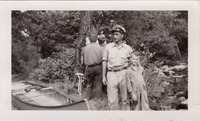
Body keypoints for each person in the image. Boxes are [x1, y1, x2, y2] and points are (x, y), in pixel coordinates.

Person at [102, 25, 133, 110]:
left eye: (117, 34)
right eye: (113, 34)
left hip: (124, 73)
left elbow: (133, 62)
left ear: (122, 35)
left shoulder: (128, 48)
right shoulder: (108, 47)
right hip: (111, 74)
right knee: (112, 100)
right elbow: (104, 61)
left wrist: (132, 76)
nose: (114, 36)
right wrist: (104, 76)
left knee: (125, 99)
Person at [81, 34, 103, 100]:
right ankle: (98, 98)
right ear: (96, 39)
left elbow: (82, 61)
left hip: (89, 68)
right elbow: (103, 59)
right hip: (98, 67)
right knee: (98, 84)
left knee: (89, 83)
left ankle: (87, 98)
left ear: (89, 40)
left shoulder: (85, 48)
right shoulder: (100, 48)